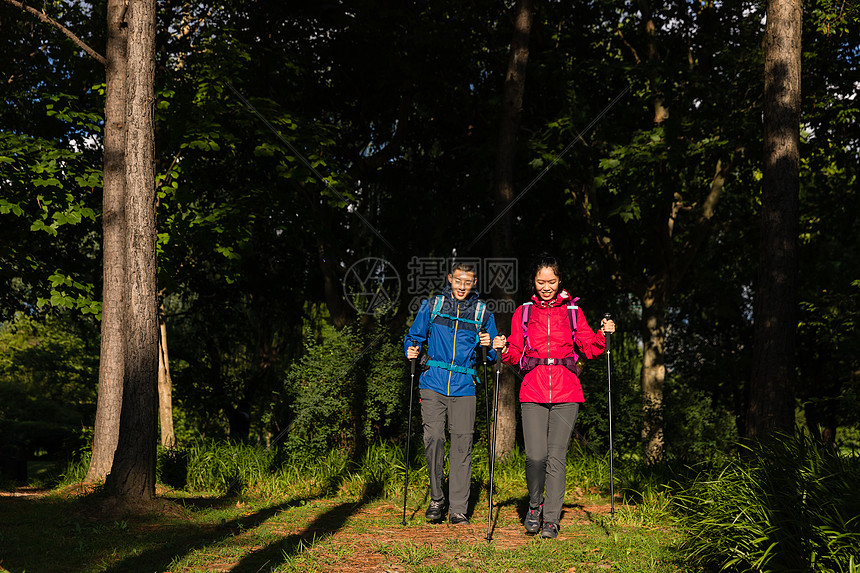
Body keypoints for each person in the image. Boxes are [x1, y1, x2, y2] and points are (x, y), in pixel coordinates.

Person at [492, 255, 615, 539]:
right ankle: (534, 506)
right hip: (532, 389)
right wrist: (501, 347)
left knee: (557, 457)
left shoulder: (573, 312)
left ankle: (551, 519)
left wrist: (603, 334)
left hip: (567, 390)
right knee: (535, 456)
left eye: (551, 281)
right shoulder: (523, 313)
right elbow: (514, 352)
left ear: (559, 281)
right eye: (540, 282)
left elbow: (591, 347)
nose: (546, 287)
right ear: (533, 283)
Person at [405, 261, 499, 524]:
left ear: (474, 283)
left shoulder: (482, 312)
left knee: (462, 444)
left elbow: (491, 356)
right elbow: (414, 336)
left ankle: (458, 508)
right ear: (450, 278)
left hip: (465, 385)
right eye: (458, 280)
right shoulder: (433, 306)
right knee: (434, 437)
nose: (462, 286)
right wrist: (410, 349)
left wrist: (489, 346)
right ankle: (437, 498)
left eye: (468, 282)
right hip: (433, 382)